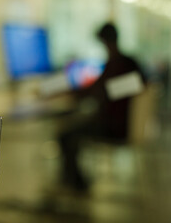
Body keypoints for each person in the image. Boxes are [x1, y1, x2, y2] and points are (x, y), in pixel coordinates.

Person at [58, 22, 146, 191]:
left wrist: (75, 93)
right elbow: (104, 89)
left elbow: (100, 90)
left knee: (67, 135)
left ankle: (75, 184)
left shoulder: (117, 65)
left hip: (115, 126)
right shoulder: (128, 63)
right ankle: (74, 182)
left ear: (105, 41)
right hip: (124, 123)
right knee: (74, 126)